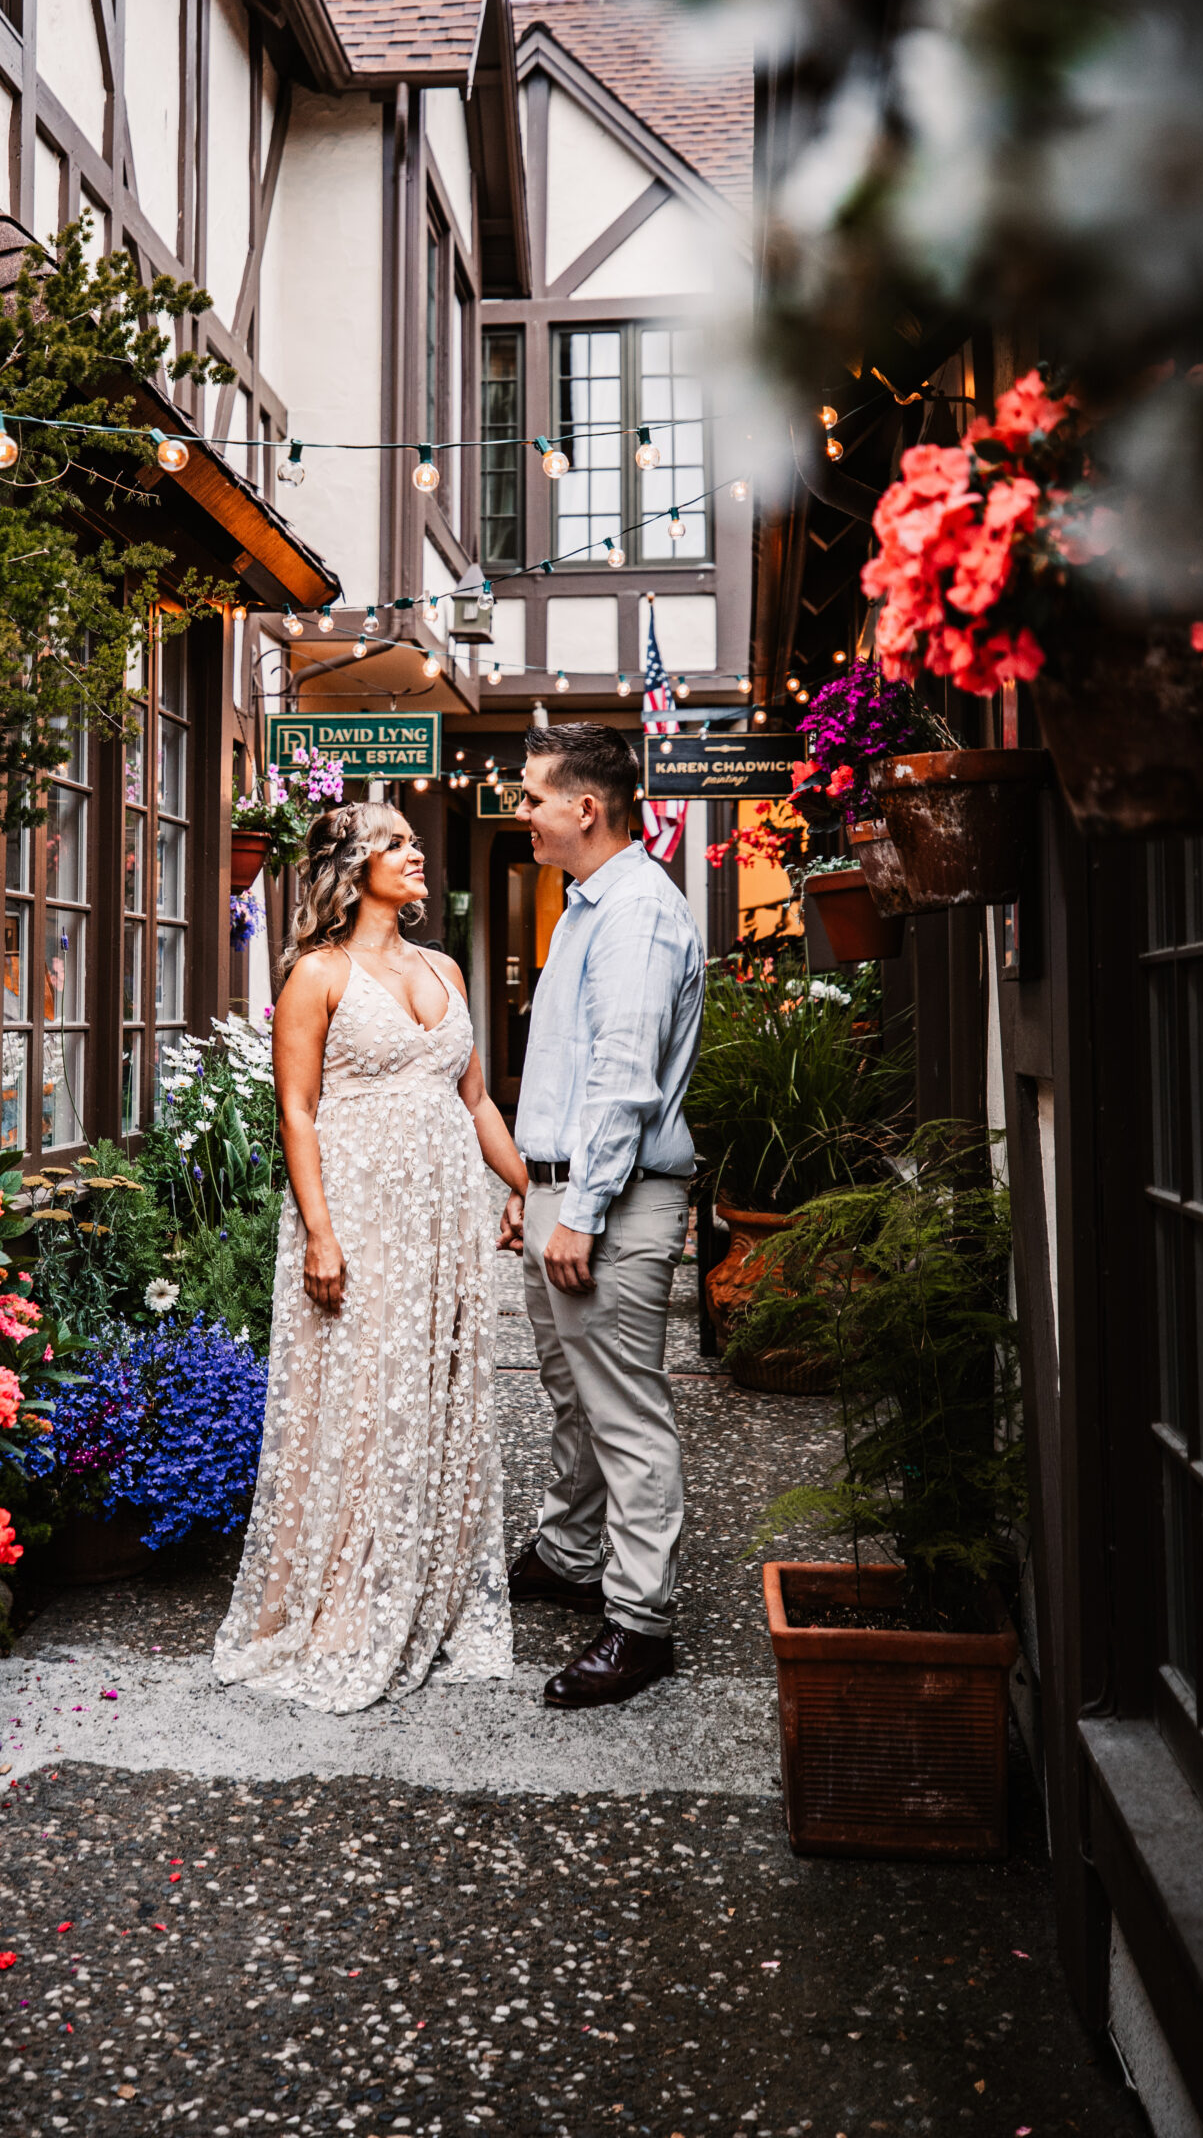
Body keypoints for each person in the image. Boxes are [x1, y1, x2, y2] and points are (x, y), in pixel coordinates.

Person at [213, 799, 529, 1711]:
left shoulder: (443, 968)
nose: (415, 853)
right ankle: (351, 1598)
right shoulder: (316, 974)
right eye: (396, 843)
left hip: (443, 1219)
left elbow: (473, 1103)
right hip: (358, 1212)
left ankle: (426, 1585)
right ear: (351, 870)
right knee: (363, 1398)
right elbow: (297, 1110)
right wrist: (318, 1228)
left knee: (434, 1390)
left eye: (414, 841)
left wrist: (522, 1185)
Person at [498, 722, 705, 1708]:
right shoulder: (584, 906)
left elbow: (622, 1087)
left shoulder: (636, 916)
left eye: (533, 794)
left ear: (586, 806)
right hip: (566, 1192)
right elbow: (572, 1073)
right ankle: (571, 1554)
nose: (520, 809)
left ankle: (639, 1622)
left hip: (611, 1204)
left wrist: (575, 1208)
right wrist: (529, 1187)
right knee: (573, 1393)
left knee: (625, 1413)